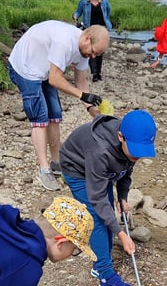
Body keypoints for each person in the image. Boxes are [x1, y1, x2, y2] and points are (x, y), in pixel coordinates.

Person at [60, 109, 157, 286]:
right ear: (120, 137)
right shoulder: (100, 151)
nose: (137, 156)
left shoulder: (132, 139)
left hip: (99, 168)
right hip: (76, 168)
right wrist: (121, 234)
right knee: (96, 217)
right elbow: (97, 199)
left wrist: (122, 195)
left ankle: (100, 261)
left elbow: (125, 170)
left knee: (108, 212)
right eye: (135, 151)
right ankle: (105, 276)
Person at [7, 20, 110, 191]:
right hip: (25, 68)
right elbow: (56, 79)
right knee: (40, 117)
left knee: (54, 114)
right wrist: (81, 95)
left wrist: (94, 113)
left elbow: (81, 82)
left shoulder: (84, 51)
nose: (93, 57)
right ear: (87, 38)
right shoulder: (65, 42)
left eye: (96, 55)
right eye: (93, 52)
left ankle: (57, 163)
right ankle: (44, 170)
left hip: (45, 70)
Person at [72, 0, 113, 82]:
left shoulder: (104, 1)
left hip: (102, 29)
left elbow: (108, 12)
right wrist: (75, 16)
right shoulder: (84, 1)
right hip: (89, 29)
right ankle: (95, 74)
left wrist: (107, 22)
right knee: (91, 51)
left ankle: (99, 72)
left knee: (99, 51)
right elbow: (78, 11)